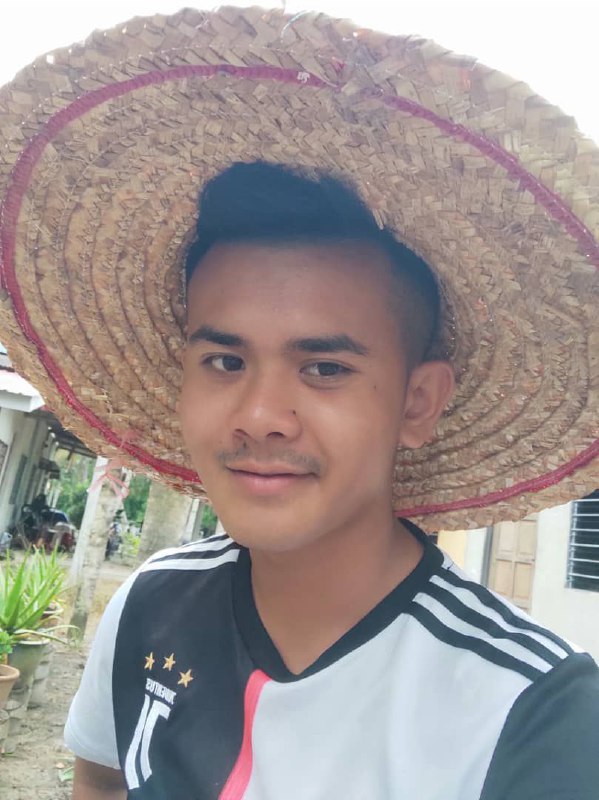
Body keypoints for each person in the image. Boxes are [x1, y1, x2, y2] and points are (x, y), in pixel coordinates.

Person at [0, 8, 598, 800]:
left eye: (323, 368)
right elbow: (101, 783)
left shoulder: (533, 713)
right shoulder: (150, 604)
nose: (258, 415)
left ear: (417, 403)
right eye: (224, 360)